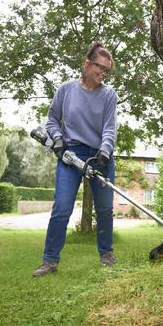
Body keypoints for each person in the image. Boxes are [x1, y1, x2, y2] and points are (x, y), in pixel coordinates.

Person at [33, 41, 118, 277]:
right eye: (100, 68)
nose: (103, 74)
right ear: (86, 64)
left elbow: (110, 129)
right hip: (70, 155)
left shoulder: (109, 95)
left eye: (107, 71)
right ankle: (50, 261)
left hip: (100, 155)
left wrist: (104, 151)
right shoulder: (66, 90)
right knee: (61, 207)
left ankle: (106, 255)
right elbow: (52, 120)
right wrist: (58, 139)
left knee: (104, 209)